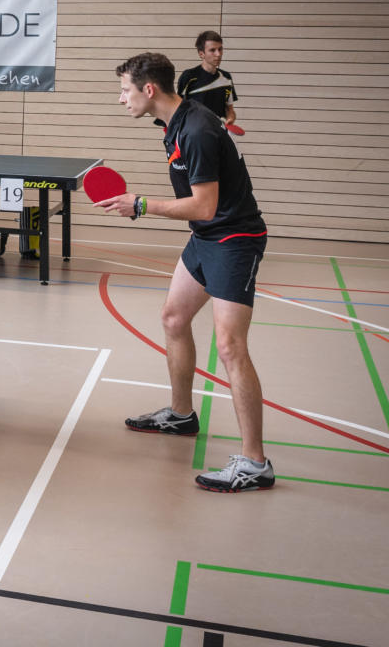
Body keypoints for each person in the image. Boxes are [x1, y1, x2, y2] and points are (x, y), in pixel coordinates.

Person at [98, 52, 273, 492]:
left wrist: (141, 205)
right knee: (174, 318)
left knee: (230, 346)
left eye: (125, 90)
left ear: (149, 89)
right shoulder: (175, 122)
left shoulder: (195, 129)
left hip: (234, 240)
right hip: (206, 237)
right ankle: (180, 416)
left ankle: (255, 464)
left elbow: (205, 205)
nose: (121, 99)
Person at [176, 30, 237, 127]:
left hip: (218, 130)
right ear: (201, 54)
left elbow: (230, 110)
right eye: (212, 50)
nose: (218, 54)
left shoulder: (226, 77)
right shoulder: (188, 76)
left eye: (220, 49)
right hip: (194, 131)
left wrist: (230, 118)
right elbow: (176, 108)